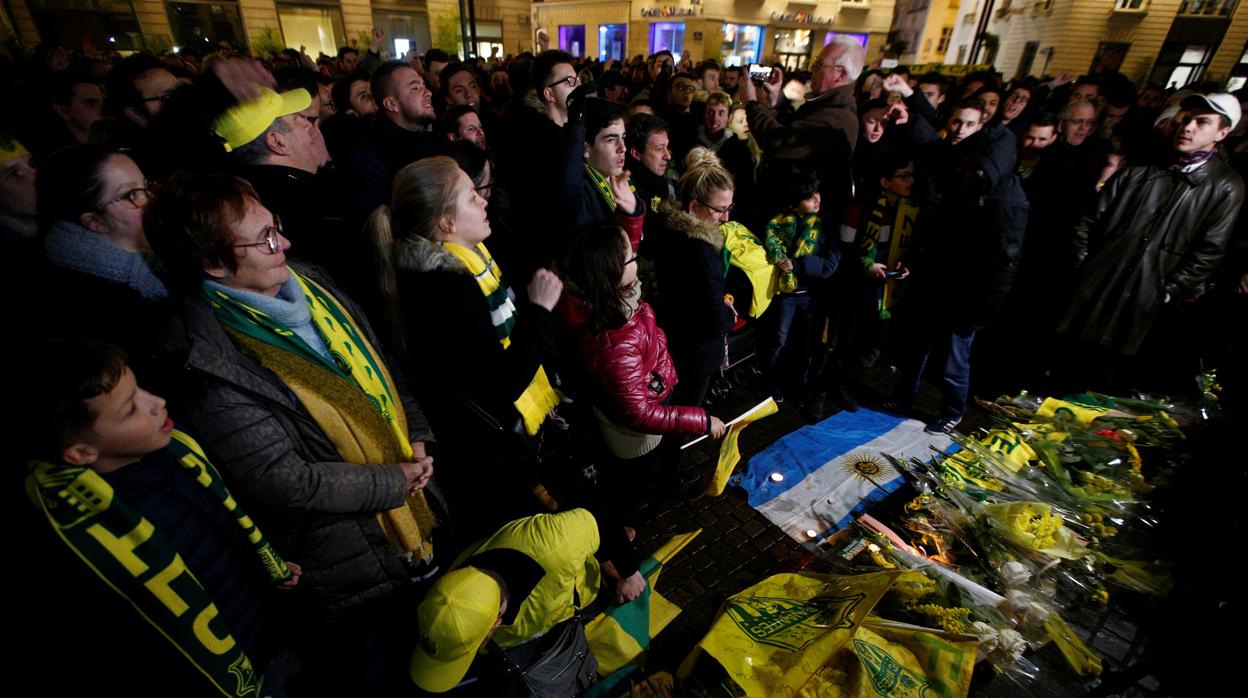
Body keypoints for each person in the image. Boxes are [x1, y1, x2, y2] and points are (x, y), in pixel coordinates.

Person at [144, 173, 437, 693]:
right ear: (212, 264)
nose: (285, 244)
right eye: (265, 240)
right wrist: (395, 480)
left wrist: (415, 434)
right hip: (349, 565)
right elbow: (286, 482)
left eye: (275, 227)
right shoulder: (209, 363)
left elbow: (383, 368)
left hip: (410, 515)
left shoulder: (312, 284)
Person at [15, 339, 301, 696]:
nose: (157, 403)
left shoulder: (176, 451)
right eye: (131, 409)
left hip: (276, 638)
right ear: (82, 452)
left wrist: (266, 566)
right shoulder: (82, 540)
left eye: (141, 390)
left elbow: (223, 526)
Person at [362, 156, 563, 543]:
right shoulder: (444, 287)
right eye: (472, 197)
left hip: (494, 442)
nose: (484, 201)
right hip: (485, 455)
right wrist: (539, 310)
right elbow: (500, 384)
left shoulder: (466, 263)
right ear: (446, 224)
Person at [1054, 93, 1245, 390]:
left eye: (1201, 122)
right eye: (1187, 118)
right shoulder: (1141, 169)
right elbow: (1089, 221)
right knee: (1062, 371)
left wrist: (1166, 291)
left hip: (1145, 301)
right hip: (1093, 289)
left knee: (1106, 387)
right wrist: (1085, 267)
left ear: (1222, 133)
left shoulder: (1225, 186)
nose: (1188, 126)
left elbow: (1208, 252)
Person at [557, 223, 727, 502]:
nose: (637, 255)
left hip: (652, 395)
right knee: (634, 479)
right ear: (613, 272)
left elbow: (624, 245)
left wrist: (633, 215)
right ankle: (632, 514)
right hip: (636, 434)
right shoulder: (616, 344)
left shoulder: (616, 298)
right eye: (631, 256)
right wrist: (702, 421)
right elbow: (640, 414)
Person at [892, 98, 1028, 433]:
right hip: (937, 277)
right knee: (916, 347)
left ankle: (953, 411)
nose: (960, 171)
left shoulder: (1005, 202)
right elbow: (936, 150)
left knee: (954, 359)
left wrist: (984, 312)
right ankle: (901, 398)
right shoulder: (968, 171)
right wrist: (911, 115)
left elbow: (1002, 267)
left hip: (967, 293)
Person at [410, 509, 642, 694]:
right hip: (542, 625)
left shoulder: (552, 545)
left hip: (585, 594)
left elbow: (601, 521)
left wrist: (629, 572)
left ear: (494, 625)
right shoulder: (449, 595)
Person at [36, 145, 172, 369]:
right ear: (94, 221)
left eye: (146, 186)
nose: (152, 200)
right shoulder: (100, 311)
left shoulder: (164, 248)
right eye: (131, 194)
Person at [741, 35, 862, 233]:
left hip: (793, 223)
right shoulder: (826, 106)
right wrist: (773, 102)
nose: (812, 69)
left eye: (819, 63)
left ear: (840, 75)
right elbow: (791, 133)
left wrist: (752, 103)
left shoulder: (835, 119)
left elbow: (778, 142)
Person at [649, 149, 739, 409]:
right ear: (694, 206)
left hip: (672, 338)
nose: (726, 218)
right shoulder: (701, 250)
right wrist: (728, 315)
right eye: (719, 210)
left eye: (729, 207)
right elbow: (713, 317)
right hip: (694, 351)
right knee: (683, 414)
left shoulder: (668, 227)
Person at [346, 60, 445, 216]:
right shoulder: (369, 161)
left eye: (424, 85)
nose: (428, 93)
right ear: (391, 104)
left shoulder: (436, 141)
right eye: (415, 88)